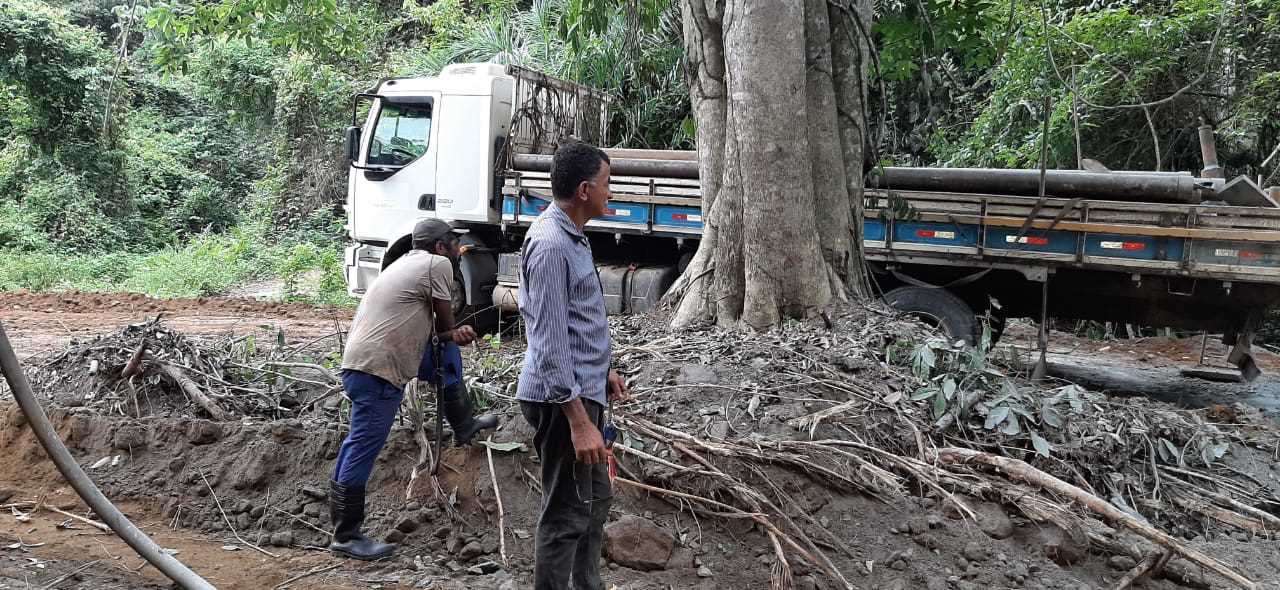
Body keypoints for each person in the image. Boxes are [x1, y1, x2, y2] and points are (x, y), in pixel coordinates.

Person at [329, 218, 497, 561]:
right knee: (362, 445)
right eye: (454, 243)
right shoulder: (437, 264)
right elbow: (447, 325)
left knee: (443, 352)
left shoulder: (407, 263)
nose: (457, 250)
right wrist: (459, 333)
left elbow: (438, 335)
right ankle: (346, 535)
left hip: (364, 362)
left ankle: (463, 423)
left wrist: (451, 337)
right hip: (378, 369)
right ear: (439, 247)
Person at [517, 140, 630, 590]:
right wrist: (578, 420)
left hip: (583, 392)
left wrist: (602, 372)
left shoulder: (572, 237)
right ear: (585, 189)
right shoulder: (549, 245)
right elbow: (547, 340)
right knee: (566, 515)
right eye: (607, 183)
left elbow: (574, 322)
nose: (611, 192)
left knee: (594, 503)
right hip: (561, 402)